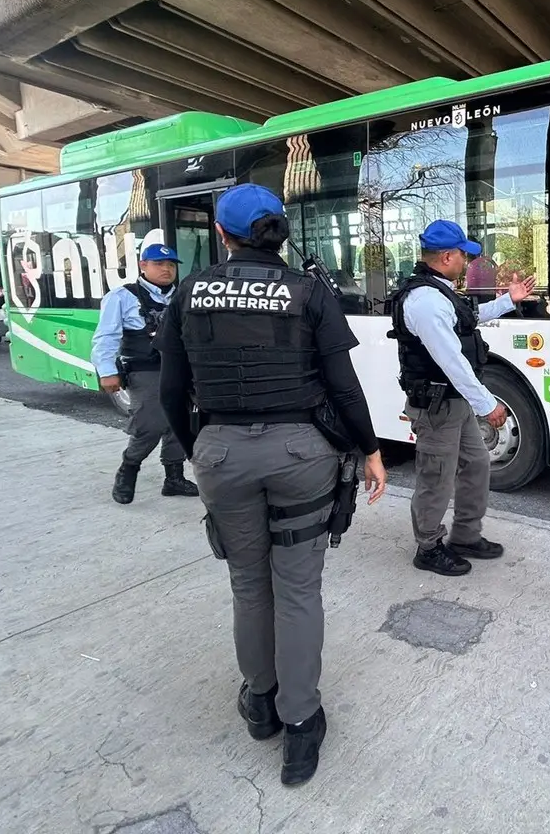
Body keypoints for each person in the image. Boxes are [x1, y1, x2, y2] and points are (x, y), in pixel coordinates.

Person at [155, 182, 387, 787]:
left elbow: (172, 394)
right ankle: (301, 725)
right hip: (300, 454)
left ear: (223, 234)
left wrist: (202, 446)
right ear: (279, 232)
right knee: (299, 589)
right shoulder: (309, 292)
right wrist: (370, 450)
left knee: (248, 584)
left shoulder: (187, 293)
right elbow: (344, 385)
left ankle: (261, 704)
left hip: (221, 455)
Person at [387, 220, 535, 577]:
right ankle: (428, 546)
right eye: (463, 257)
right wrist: (489, 404)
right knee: (435, 477)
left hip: (454, 403)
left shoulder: (440, 292)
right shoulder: (425, 301)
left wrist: (507, 301)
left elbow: (467, 318)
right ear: (447, 256)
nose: (467, 264)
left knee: (477, 463)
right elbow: (452, 362)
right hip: (437, 407)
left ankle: (465, 536)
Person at [92, 243, 198, 504]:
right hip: (145, 370)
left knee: (181, 423)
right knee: (150, 424)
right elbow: (106, 337)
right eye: (159, 264)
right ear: (143, 266)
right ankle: (129, 468)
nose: (166, 269)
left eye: (171, 265)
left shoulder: (184, 295)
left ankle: (174, 477)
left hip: (181, 368)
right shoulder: (122, 296)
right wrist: (107, 372)